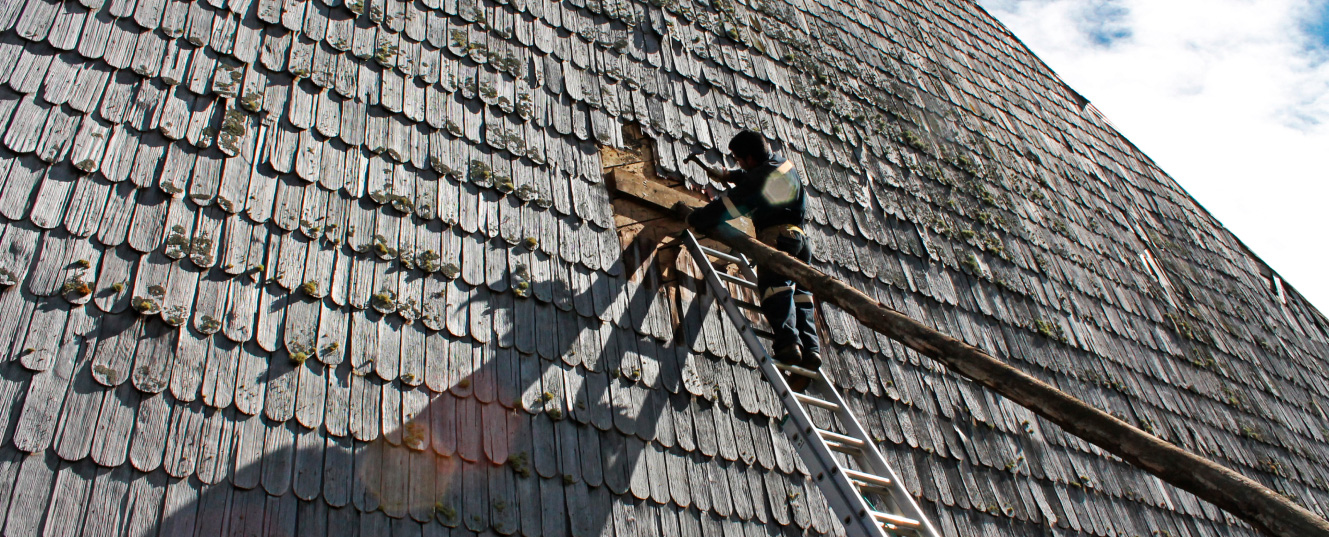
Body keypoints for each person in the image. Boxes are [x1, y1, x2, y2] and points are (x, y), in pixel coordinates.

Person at [685, 130, 822, 391]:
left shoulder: (757, 180)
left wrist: (695, 219)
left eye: (738, 160)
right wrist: (729, 176)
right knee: (801, 295)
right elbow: (757, 175)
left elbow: (727, 206)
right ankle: (811, 349)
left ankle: (788, 346)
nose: (738, 163)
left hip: (778, 238)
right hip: (802, 242)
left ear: (748, 157)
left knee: (775, 291)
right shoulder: (782, 163)